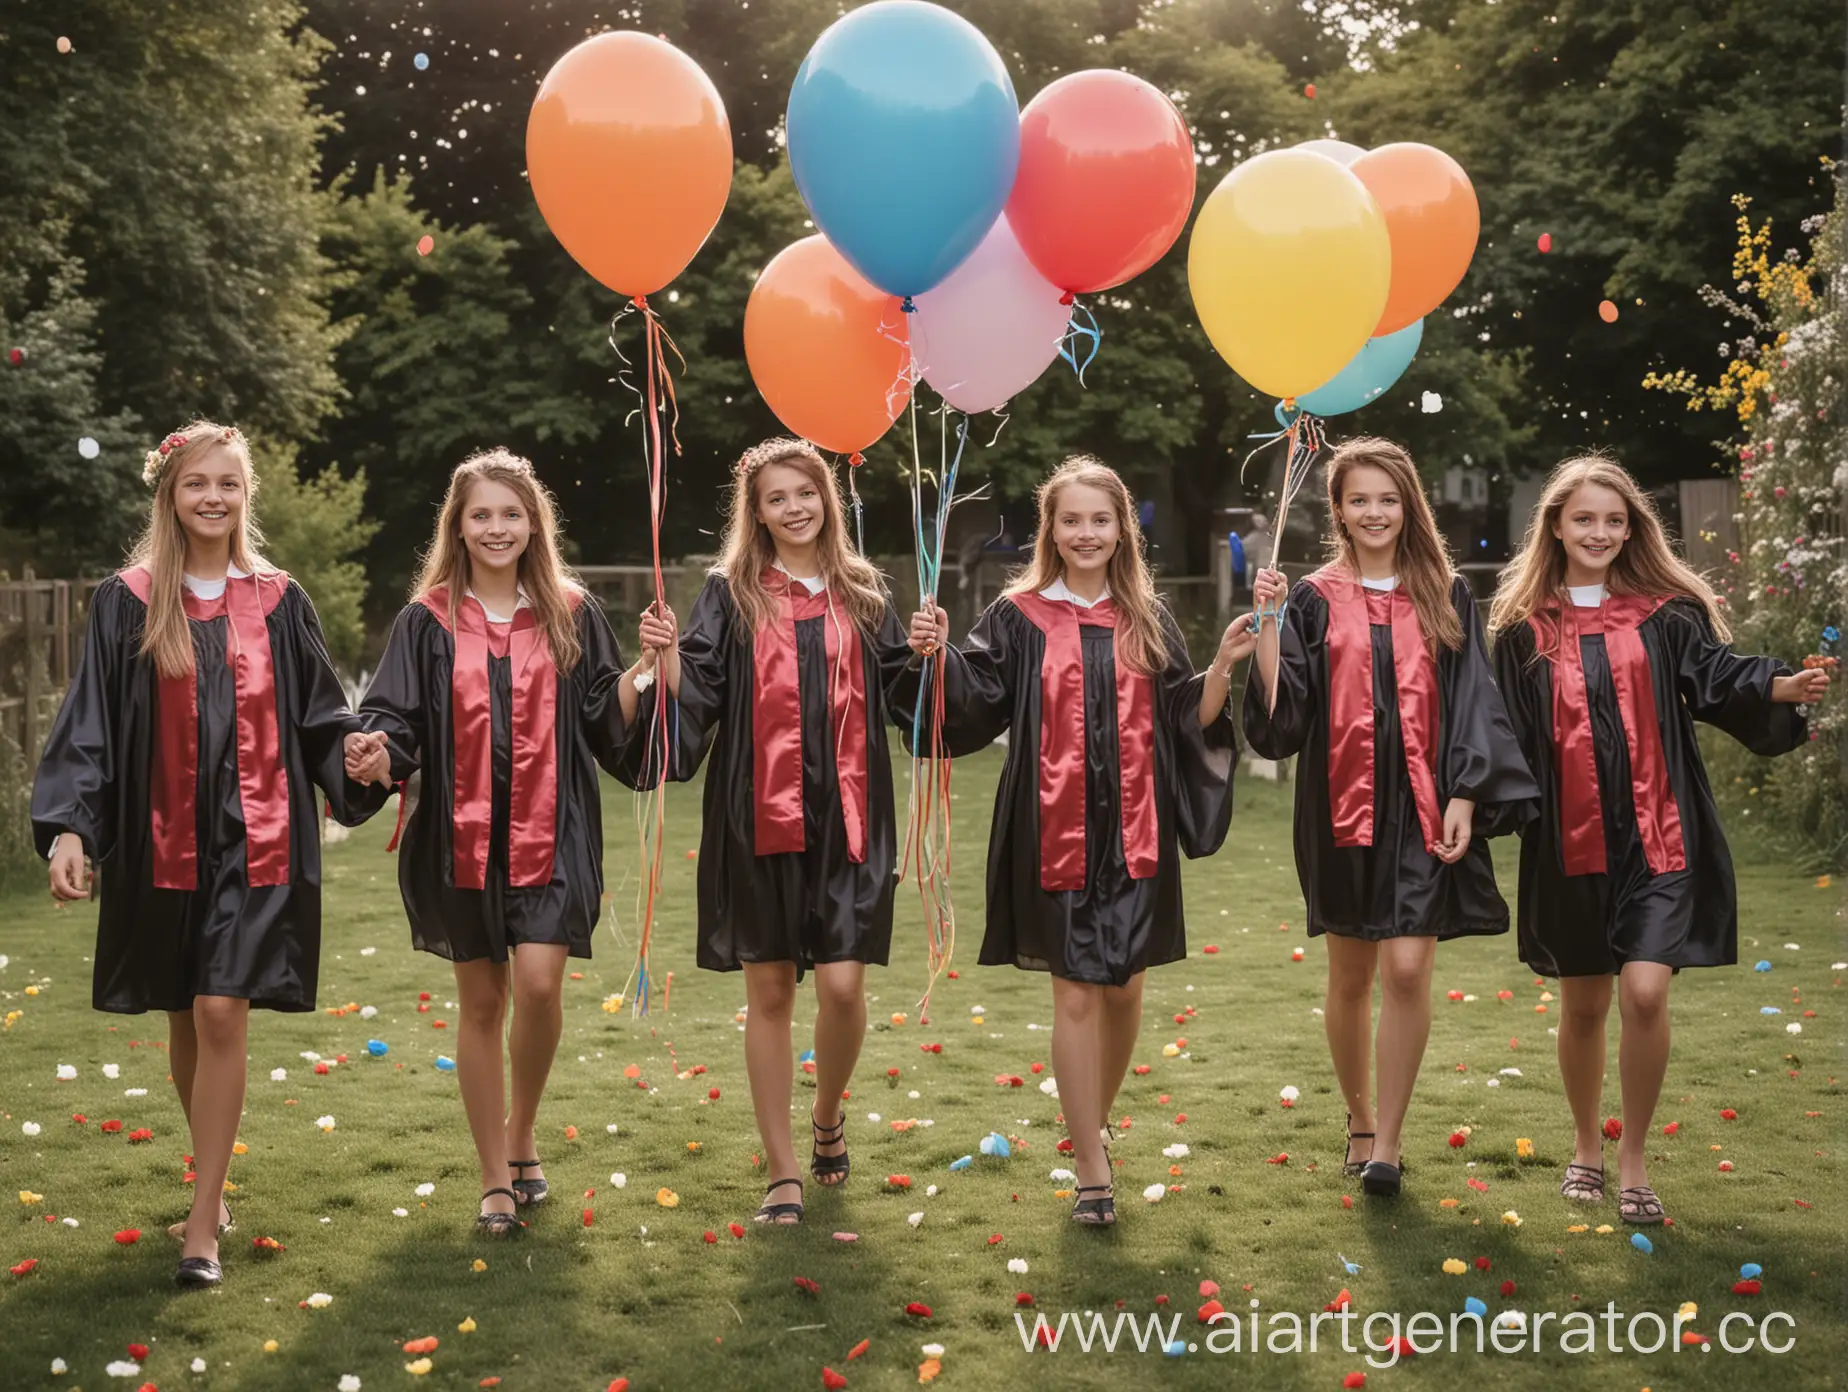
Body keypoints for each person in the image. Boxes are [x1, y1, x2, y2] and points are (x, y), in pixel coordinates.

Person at [31, 421, 379, 1287]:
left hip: (261, 847)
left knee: (224, 1010)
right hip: (163, 845)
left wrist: (360, 760)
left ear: (244, 494)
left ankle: (202, 1223)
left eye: (227, 482)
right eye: (196, 483)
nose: (213, 497)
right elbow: (92, 724)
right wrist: (71, 824)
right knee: (187, 1010)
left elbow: (320, 721)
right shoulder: (130, 600)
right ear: (169, 494)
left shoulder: (279, 599)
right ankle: (212, 1177)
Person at [905, 455, 1253, 1227]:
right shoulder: (1018, 616)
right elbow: (974, 702)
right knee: (1076, 991)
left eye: (1101, 519)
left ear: (1121, 529)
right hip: (1051, 829)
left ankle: (1089, 1120)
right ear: (1051, 532)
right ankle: (1092, 1169)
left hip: (1138, 830)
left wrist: (1224, 667)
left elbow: (1183, 721)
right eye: (1072, 520)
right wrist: (937, 658)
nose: (1087, 532)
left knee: (1126, 987)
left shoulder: (1149, 619)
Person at [1488, 454, 1827, 1225]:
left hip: (1660, 838)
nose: (1600, 532)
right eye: (1584, 519)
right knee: (1582, 1007)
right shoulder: (1523, 631)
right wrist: (1474, 803)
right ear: (1556, 526)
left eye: (1614, 519)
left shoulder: (1663, 615)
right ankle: (1585, 1147)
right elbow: (1498, 732)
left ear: (1631, 527)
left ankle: (1633, 1156)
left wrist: (1783, 686)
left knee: (1644, 990)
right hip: (1568, 846)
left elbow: (1717, 676)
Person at [345, 449, 661, 1237]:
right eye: (481, 514)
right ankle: (495, 1175)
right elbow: (395, 717)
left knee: (542, 985)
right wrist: (380, 752)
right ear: (458, 524)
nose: (496, 528)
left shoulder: (570, 610)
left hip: (554, 834)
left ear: (533, 523)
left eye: (511, 514)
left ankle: (522, 1131)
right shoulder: (426, 619)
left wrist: (646, 669)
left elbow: (600, 713)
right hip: (458, 840)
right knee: (482, 1001)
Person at [1246, 437, 1539, 1199]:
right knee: (1350, 975)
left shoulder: (1445, 591)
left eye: (1387, 498)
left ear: (1409, 505)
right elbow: (1285, 717)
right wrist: (1271, 624)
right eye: (1358, 499)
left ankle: (1392, 1143)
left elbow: (1476, 697)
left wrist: (1468, 794)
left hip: (1423, 804)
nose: (1373, 512)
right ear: (1336, 509)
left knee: (1407, 967)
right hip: (1340, 810)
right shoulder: (1313, 596)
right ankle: (1359, 1118)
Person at [641, 438, 914, 1227]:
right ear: (754, 513)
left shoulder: (863, 590)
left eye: (805, 492)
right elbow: (700, 698)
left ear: (826, 498)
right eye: (776, 498)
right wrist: (664, 663)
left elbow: (905, 693)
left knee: (842, 985)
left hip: (851, 817)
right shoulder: (730, 593)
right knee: (767, 991)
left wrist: (930, 657)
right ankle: (784, 1170)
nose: (794, 507)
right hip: (756, 810)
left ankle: (826, 1113)